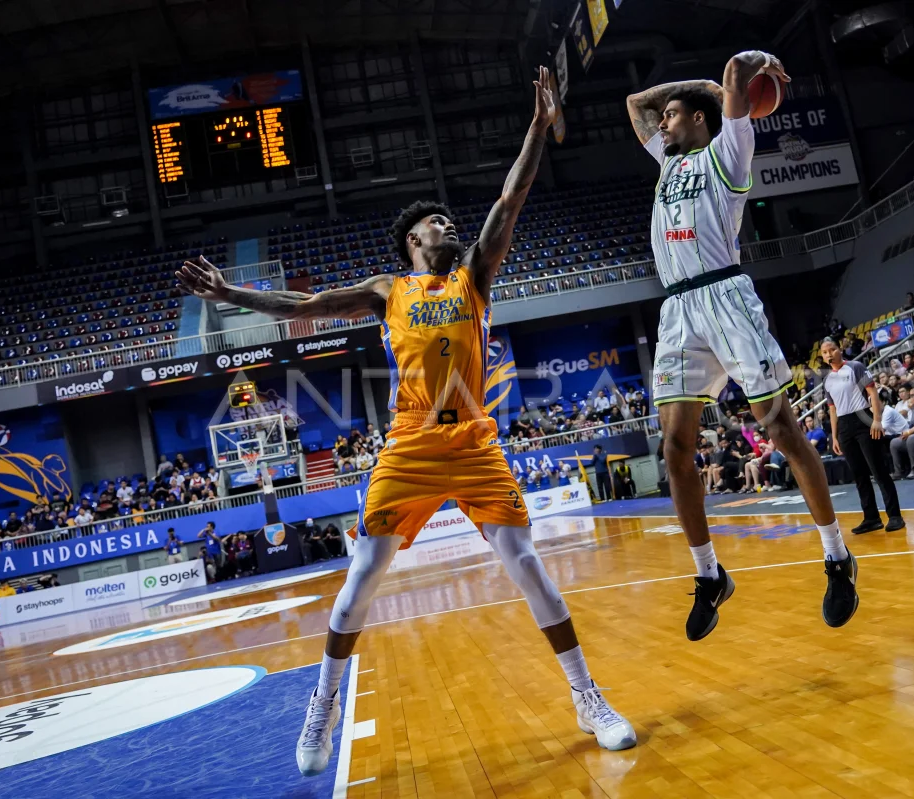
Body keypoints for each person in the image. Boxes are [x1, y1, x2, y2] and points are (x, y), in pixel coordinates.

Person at [178, 65, 635, 775]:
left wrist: (537, 127)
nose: (448, 224)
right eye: (436, 221)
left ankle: (587, 696)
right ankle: (323, 703)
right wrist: (231, 295)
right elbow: (303, 308)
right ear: (413, 239)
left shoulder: (474, 274)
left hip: (475, 445)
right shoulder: (386, 289)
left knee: (528, 566)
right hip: (410, 448)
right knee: (363, 575)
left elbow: (511, 198)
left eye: (449, 219)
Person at [625, 51, 857, 640]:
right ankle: (710, 575)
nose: (663, 122)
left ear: (701, 120)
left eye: (674, 116)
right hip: (678, 310)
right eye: (665, 118)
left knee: (780, 429)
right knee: (674, 449)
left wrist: (730, 76)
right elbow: (635, 104)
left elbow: (733, 74)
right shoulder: (667, 160)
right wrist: (696, 88)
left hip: (725, 299)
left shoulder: (728, 151)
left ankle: (837, 556)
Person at [820, 339, 904, 534]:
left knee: (878, 470)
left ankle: (895, 516)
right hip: (844, 425)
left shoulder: (855, 367)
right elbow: (832, 410)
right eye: (825, 352)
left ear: (840, 350)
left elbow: (872, 392)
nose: (829, 354)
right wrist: (834, 436)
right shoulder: (827, 380)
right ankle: (871, 518)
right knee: (859, 475)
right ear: (823, 357)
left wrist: (876, 420)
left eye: (832, 349)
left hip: (863, 419)